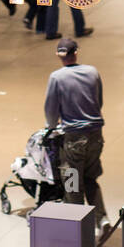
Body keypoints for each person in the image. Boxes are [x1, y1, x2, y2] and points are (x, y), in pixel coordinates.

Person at [44, 37, 109, 236]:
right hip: (96, 136)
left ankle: (81, 228)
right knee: (90, 178)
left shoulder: (57, 77)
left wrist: (52, 127)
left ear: (59, 56)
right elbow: (99, 101)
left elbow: (51, 109)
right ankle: (102, 219)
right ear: (76, 52)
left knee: (72, 183)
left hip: (73, 140)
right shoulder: (92, 72)